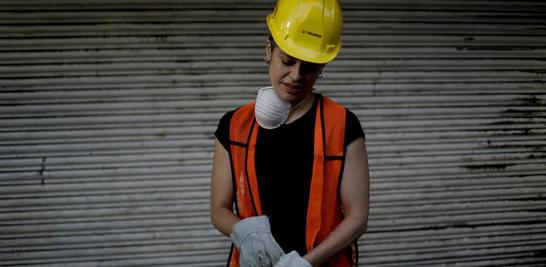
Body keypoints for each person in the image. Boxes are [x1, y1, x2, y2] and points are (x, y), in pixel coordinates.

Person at [210, 0, 370, 266]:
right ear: (268, 49)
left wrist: (307, 262)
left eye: (309, 67)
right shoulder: (234, 125)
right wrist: (244, 233)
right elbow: (219, 210)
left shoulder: (343, 125)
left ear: (322, 68)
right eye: (287, 60)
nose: (296, 75)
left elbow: (358, 217)